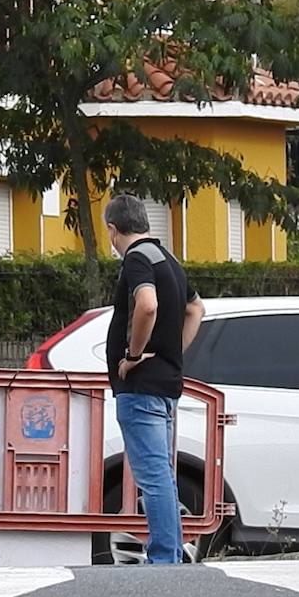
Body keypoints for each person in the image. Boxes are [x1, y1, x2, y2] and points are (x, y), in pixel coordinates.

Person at [104, 194, 205, 564]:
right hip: (165, 384)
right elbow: (196, 308)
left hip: (141, 387)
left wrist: (132, 355)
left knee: (153, 476)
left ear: (113, 229)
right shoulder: (169, 260)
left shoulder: (136, 259)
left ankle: (165, 557)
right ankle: (172, 551)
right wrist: (171, 352)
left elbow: (146, 304)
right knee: (162, 473)